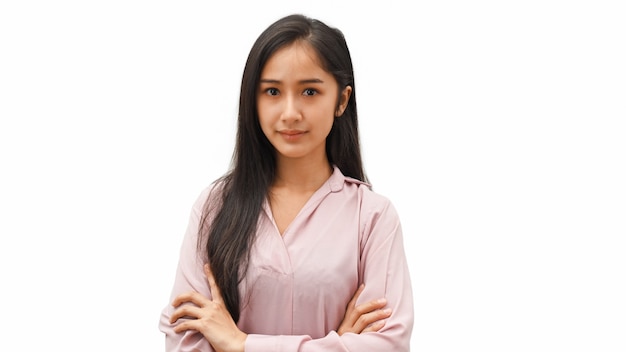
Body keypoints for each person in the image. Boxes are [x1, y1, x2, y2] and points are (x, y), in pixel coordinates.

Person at [158, 13, 414, 351]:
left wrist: (239, 343)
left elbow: (387, 345)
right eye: (273, 91)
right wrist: (334, 343)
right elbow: (184, 337)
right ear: (253, 99)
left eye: (309, 91)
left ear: (341, 100)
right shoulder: (215, 206)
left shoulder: (373, 218)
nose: (290, 112)